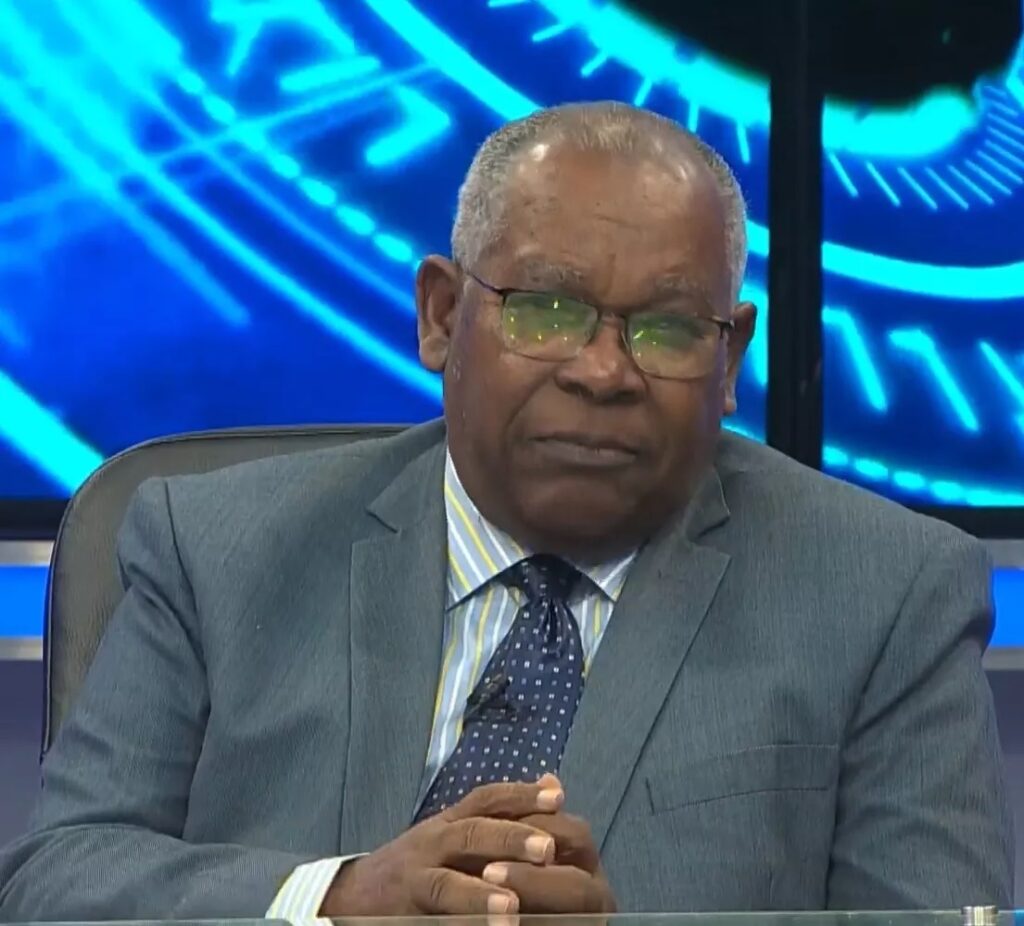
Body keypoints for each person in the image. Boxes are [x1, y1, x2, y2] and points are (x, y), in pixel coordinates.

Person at [0, 102, 1013, 920]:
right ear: (443, 315)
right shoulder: (216, 547)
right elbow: (55, 884)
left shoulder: (883, 588)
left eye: (667, 329)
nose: (604, 372)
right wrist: (336, 898)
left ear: (730, 355)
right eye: (546, 311)